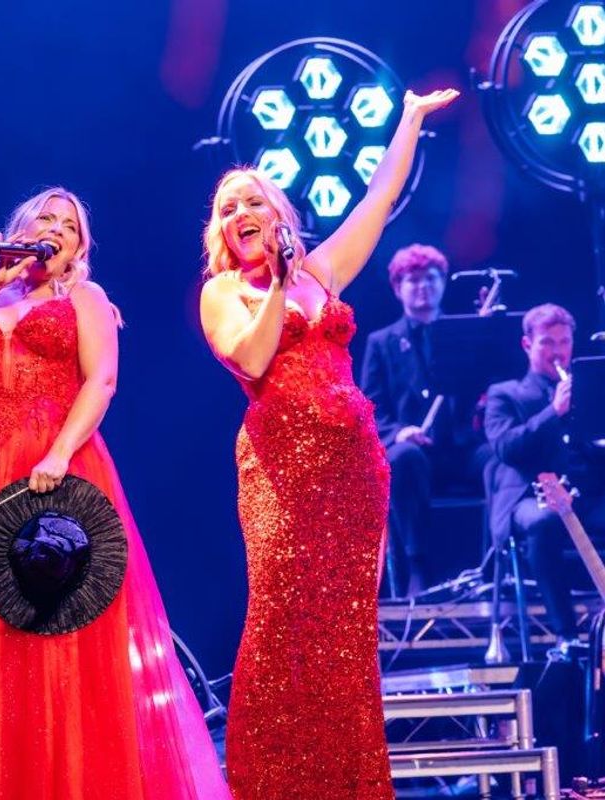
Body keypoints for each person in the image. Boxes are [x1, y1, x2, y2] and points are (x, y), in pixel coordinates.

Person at [0, 187, 230, 799]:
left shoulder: (85, 297)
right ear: (18, 228)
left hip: (59, 464)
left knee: (55, 626)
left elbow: (101, 381)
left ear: (79, 247)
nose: (56, 229)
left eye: (69, 226)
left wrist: (58, 452)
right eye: (44, 219)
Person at [198, 88, 459, 799]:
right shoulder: (224, 292)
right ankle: (271, 785)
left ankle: (347, 785)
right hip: (282, 470)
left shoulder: (322, 270)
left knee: (344, 638)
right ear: (219, 233)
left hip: (353, 474)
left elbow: (379, 195)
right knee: (284, 625)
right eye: (227, 209)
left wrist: (404, 122)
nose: (241, 214)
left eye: (253, 201)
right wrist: (276, 286)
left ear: (279, 215)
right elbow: (250, 360)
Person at [360, 244, 487, 595]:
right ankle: (417, 564)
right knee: (402, 458)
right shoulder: (382, 342)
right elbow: (370, 408)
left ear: (443, 283)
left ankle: (497, 561)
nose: (423, 287)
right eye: (413, 280)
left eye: (431, 279)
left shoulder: (465, 333)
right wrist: (400, 433)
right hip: (417, 456)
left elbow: (486, 388)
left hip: (461, 448)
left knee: (498, 459)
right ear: (398, 288)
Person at [485, 303, 605, 658]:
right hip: (529, 495)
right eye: (547, 343)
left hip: (586, 492)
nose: (558, 351)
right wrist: (553, 412)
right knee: (545, 523)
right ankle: (566, 634)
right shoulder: (505, 393)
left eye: (564, 342)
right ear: (527, 345)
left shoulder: (589, 390)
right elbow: (507, 447)